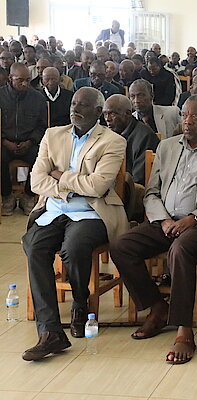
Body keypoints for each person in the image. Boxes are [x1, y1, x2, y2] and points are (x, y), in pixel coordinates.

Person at [110, 95, 197, 364]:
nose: (187, 121)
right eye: (184, 115)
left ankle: (184, 329)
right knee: (121, 246)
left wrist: (193, 218)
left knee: (179, 251)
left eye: (195, 116)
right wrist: (163, 220)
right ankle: (158, 307)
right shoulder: (166, 147)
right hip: (165, 221)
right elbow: (151, 192)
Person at [21, 87, 128, 361]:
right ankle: (50, 331)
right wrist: (69, 188)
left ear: (98, 111)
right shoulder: (52, 135)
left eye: (82, 105)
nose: (74, 109)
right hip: (54, 209)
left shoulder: (113, 141)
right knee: (34, 246)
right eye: (73, 104)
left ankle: (81, 301)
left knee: (74, 247)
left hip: (92, 212)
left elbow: (98, 186)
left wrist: (59, 175)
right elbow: (36, 181)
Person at [1, 63, 48, 216]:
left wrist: (30, 142)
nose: (24, 84)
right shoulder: (1, 96)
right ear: (10, 78)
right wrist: (4, 141)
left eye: (27, 80)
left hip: (29, 143)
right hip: (4, 142)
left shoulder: (38, 98)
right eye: (20, 80)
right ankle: (7, 195)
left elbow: (42, 126)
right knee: (0, 158)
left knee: (41, 159)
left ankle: (28, 195)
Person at [102, 94, 159, 184]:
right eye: (105, 114)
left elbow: (138, 180)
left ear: (128, 113)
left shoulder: (145, 137)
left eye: (112, 114)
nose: (107, 119)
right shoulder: (107, 134)